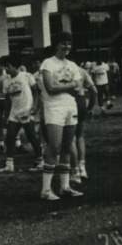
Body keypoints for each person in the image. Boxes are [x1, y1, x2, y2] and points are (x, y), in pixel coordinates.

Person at [38, 33, 83, 201]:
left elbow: (79, 88)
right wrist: (70, 85)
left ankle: (65, 186)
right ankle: (45, 190)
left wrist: (63, 86)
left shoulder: (72, 65)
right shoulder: (48, 63)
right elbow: (50, 87)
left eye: (69, 44)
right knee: (54, 146)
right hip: (54, 107)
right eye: (63, 44)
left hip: (70, 106)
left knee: (66, 147)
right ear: (57, 45)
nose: (67, 47)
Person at [0, 56, 42, 173]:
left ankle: (40, 160)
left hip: (26, 110)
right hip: (14, 112)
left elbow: (36, 92)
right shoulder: (6, 81)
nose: (6, 69)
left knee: (31, 136)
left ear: (14, 66)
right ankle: (9, 164)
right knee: (10, 137)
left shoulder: (26, 76)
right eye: (5, 66)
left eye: (8, 66)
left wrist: (34, 107)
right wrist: (6, 115)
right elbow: (7, 99)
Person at [70, 58, 98, 183]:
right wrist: (90, 107)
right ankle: (82, 167)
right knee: (80, 136)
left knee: (71, 138)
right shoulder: (82, 71)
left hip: (69, 102)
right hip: (81, 102)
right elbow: (94, 91)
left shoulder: (61, 70)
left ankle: (75, 170)